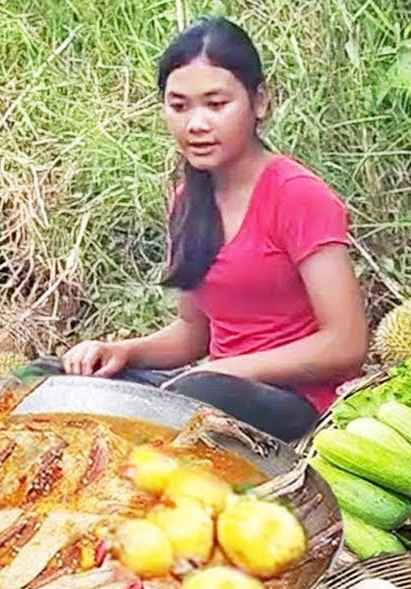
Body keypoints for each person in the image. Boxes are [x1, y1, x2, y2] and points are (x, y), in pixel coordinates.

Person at [31, 16, 368, 442]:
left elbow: (346, 344)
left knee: (193, 395)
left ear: (259, 101)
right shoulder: (187, 201)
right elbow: (194, 334)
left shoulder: (298, 195)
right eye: (179, 106)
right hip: (208, 387)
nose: (196, 124)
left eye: (216, 104)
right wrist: (120, 351)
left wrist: (226, 369)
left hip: (294, 403)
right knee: (47, 380)